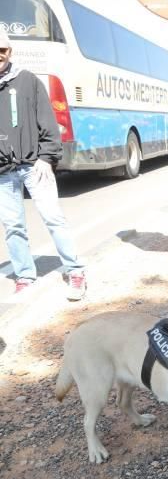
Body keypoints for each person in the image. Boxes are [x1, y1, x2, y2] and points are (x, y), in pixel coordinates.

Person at [0, 27, 86, 300]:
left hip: (34, 166)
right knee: (12, 225)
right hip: (3, 171)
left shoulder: (28, 81)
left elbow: (47, 121)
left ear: (9, 51)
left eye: (1, 51)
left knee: (53, 218)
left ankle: (75, 271)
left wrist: (47, 158)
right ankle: (25, 275)